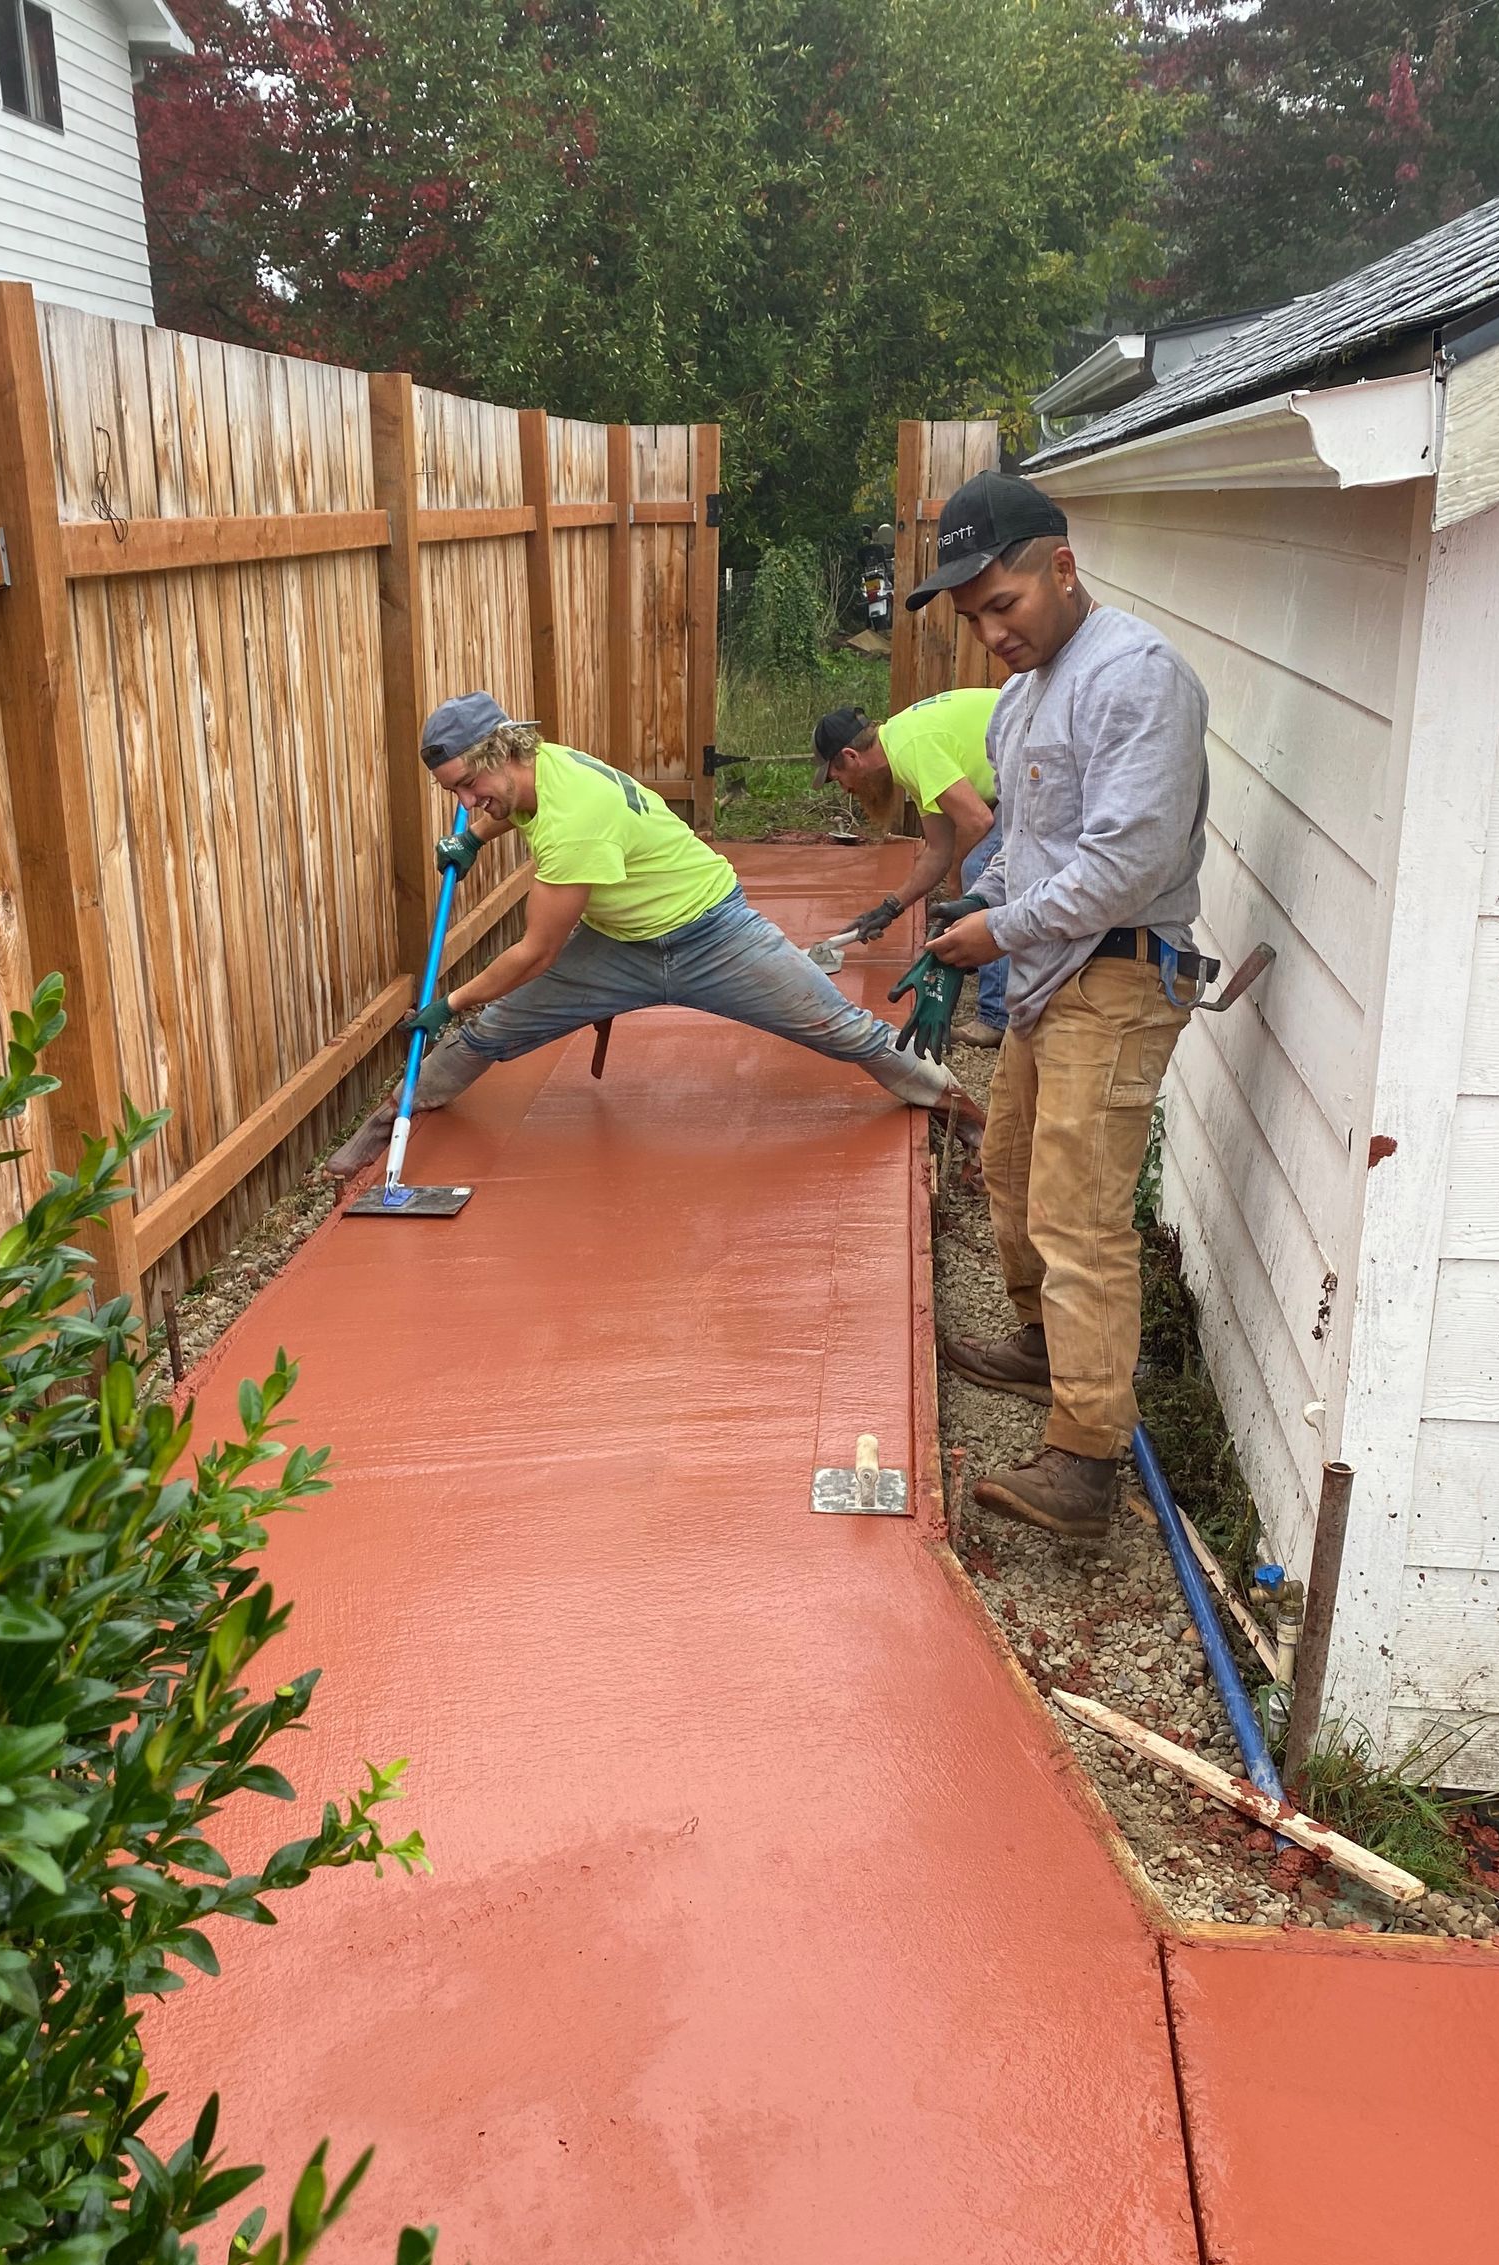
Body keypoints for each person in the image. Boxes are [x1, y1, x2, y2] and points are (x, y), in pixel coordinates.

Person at [908, 470, 1213, 1542]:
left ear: (1064, 567)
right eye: (973, 616)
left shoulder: (1134, 678)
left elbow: (1128, 865)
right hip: (1053, 973)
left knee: (1080, 1213)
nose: (992, 631)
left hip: (1117, 975)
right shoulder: (1024, 693)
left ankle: (1086, 1462)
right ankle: (1047, 1346)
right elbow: (1027, 846)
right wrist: (977, 900)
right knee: (1010, 1169)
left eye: (1005, 603)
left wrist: (999, 930)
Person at [324, 693, 984, 1179]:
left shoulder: (573, 818)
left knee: (840, 1028)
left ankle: (962, 1109)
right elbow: (512, 805)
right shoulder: (541, 767)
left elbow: (536, 953)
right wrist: (471, 838)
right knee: (494, 1031)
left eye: (470, 787)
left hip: (713, 935)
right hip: (617, 947)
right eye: (456, 793)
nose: (468, 802)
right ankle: (394, 1115)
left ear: (503, 754)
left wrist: (449, 1001)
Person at [812, 690, 1008, 1046]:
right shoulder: (904, 751)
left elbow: (977, 821)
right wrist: (890, 908)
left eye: (837, 777)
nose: (844, 789)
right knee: (979, 872)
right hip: (1022, 769)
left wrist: (957, 876)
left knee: (980, 870)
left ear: (851, 756)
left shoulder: (910, 748)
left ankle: (996, 1018)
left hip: (1044, 762)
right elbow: (938, 849)